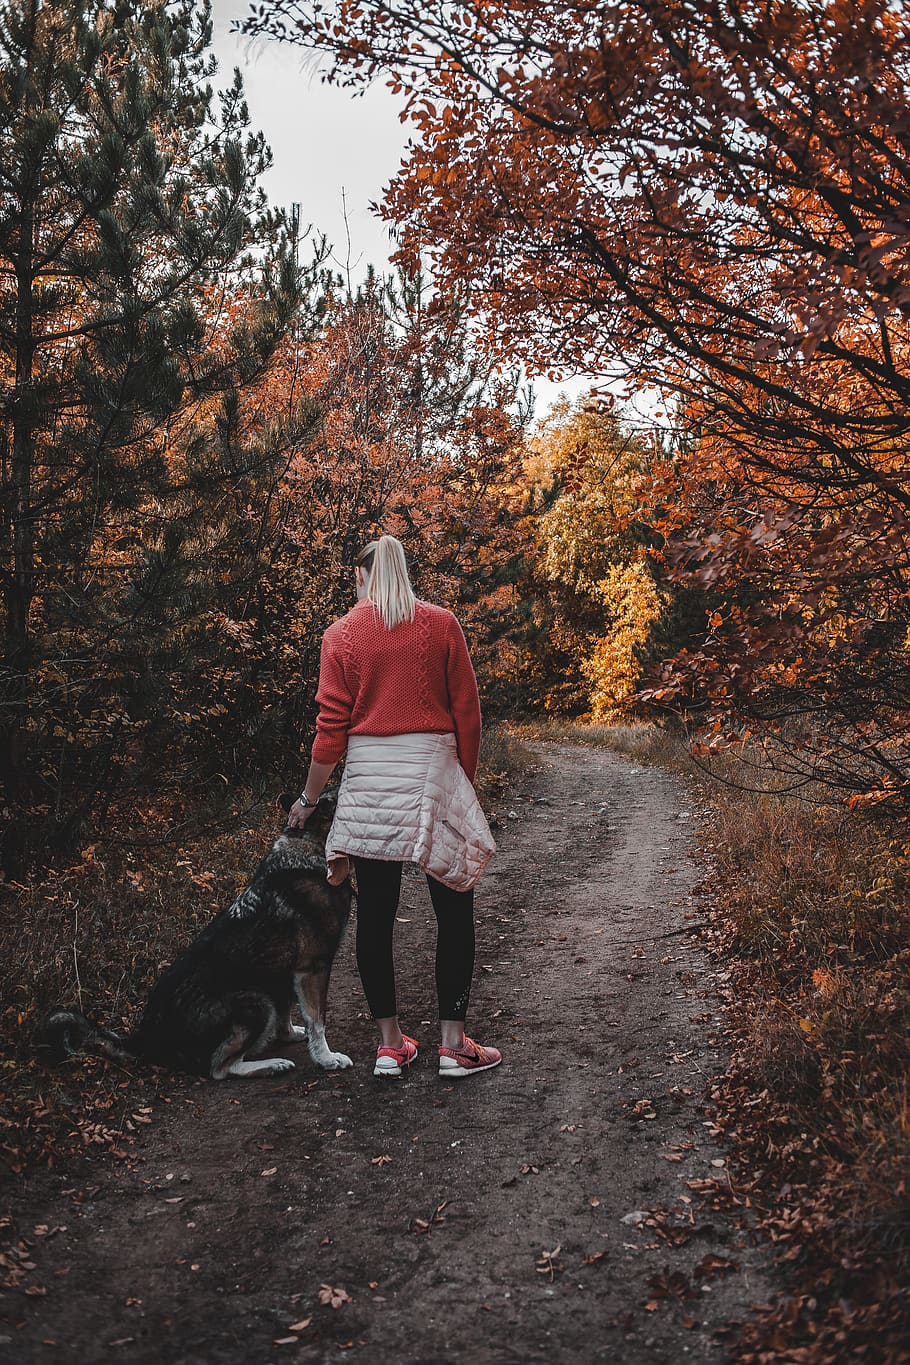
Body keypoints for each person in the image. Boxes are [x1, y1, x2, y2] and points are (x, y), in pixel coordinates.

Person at [287, 534, 501, 1080]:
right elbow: (468, 712)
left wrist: (309, 800)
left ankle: (389, 1046)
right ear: (404, 572)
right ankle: (453, 1045)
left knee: (376, 913)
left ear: (360, 578)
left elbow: (329, 731)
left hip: (370, 783)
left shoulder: (339, 636)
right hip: (432, 771)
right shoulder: (441, 624)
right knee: (454, 902)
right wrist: (462, 782)